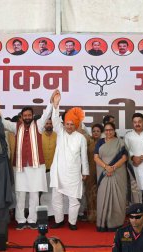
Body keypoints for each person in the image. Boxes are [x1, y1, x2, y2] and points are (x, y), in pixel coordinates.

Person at [0, 92, 55, 230]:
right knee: (20, 194)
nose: (27, 117)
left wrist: (52, 102)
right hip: (21, 167)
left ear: (32, 116)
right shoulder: (16, 127)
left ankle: (33, 219)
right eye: (25, 115)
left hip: (36, 166)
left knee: (34, 194)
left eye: (29, 115)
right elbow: (3, 122)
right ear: (22, 117)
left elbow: (46, 113)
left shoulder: (39, 125)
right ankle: (21, 220)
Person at [50, 90, 89, 230]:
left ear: (76, 125)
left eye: (72, 124)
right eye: (67, 124)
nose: (69, 126)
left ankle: (72, 222)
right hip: (59, 171)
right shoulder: (60, 133)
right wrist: (56, 105)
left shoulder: (81, 138)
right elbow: (55, 120)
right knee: (56, 198)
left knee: (74, 200)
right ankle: (59, 220)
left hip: (73, 173)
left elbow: (84, 157)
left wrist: (85, 172)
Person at [94, 122, 127, 232]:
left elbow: (124, 158)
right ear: (104, 132)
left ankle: (116, 223)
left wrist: (113, 167)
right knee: (102, 197)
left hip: (117, 173)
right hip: (103, 173)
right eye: (106, 130)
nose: (108, 132)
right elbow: (96, 157)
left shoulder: (120, 142)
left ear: (114, 131)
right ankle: (102, 223)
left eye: (111, 130)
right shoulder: (100, 142)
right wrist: (106, 167)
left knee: (118, 198)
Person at [124, 113, 143, 226]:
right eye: (135, 122)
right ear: (132, 123)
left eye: (139, 122)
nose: (137, 124)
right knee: (134, 196)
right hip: (133, 168)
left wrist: (141, 157)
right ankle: (135, 222)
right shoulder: (128, 135)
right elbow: (126, 149)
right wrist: (132, 157)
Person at [85, 124, 103, 222]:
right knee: (89, 192)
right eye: (94, 131)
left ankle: (101, 215)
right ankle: (91, 215)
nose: (96, 133)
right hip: (90, 171)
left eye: (98, 131)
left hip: (101, 170)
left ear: (101, 133)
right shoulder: (88, 143)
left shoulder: (104, 143)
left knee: (100, 193)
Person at [39, 118, 57, 215]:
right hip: (42, 168)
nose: (49, 125)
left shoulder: (57, 136)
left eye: (50, 123)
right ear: (44, 125)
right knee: (40, 193)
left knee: (53, 193)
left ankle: (53, 213)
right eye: (47, 123)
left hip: (54, 169)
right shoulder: (39, 136)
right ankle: (41, 214)